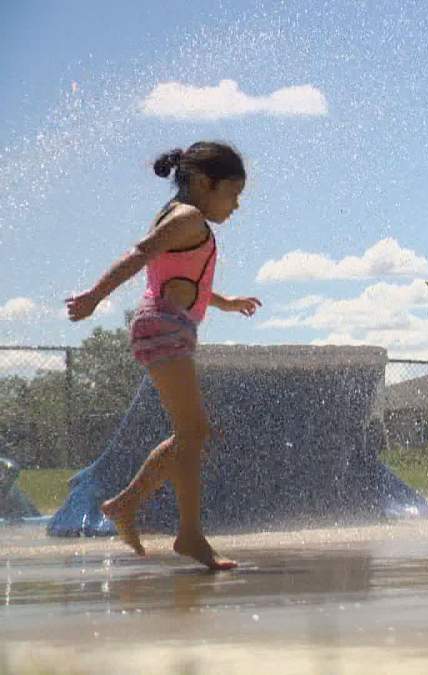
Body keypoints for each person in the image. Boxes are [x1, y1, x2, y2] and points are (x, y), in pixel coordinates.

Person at [66, 142, 260, 570]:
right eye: (232, 193)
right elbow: (140, 255)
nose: (236, 205)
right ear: (204, 183)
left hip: (169, 326)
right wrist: (94, 297)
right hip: (163, 326)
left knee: (192, 434)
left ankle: (125, 504)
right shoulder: (187, 217)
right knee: (193, 434)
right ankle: (189, 535)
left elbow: (184, 278)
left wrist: (227, 303)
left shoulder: (180, 216)